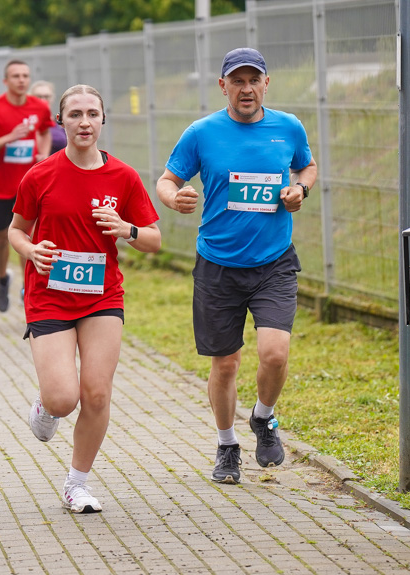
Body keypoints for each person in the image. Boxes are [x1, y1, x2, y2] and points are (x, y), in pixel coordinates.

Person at [156, 48, 318, 484]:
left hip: (273, 262)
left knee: (275, 353)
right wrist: (175, 198)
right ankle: (227, 446)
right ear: (222, 85)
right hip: (218, 265)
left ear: (267, 84)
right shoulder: (202, 133)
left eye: (254, 80)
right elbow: (168, 179)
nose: (246, 89)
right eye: (237, 80)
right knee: (225, 364)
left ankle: (263, 419)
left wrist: (300, 189)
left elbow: (306, 165)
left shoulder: (287, 126)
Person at [9, 84, 161, 513]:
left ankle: (77, 483)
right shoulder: (40, 174)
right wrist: (31, 250)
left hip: (101, 295)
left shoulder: (123, 177)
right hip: (50, 295)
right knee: (63, 398)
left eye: (92, 113)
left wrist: (126, 229)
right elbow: (16, 230)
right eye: (74, 114)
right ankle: (46, 405)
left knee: (96, 395)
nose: (84, 122)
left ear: (103, 120)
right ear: (61, 122)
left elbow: (153, 239)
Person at [0, 59, 53, 312]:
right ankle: (3, 279)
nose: (21, 80)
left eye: (25, 75)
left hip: (29, 187)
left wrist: (44, 154)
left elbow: (45, 131)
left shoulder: (39, 107)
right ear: (5, 81)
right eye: (15, 76)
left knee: (27, 238)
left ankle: (28, 288)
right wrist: (8, 138)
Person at [29, 81, 66, 155]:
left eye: (47, 97)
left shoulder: (60, 122)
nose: (43, 100)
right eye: (38, 97)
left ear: (52, 98)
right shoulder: (26, 122)